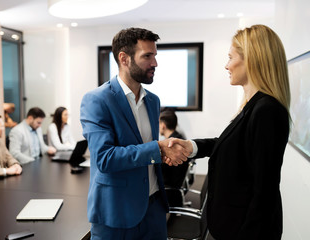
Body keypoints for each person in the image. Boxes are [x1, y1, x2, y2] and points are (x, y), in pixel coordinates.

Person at [168, 24, 291, 240]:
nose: (227, 66)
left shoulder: (267, 110)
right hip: (227, 223)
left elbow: (264, 189)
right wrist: (192, 146)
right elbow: (233, 147)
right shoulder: (253, 106)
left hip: (241, 230)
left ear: (251, 59)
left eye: (230, 57)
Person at [80, 27, 189, 240]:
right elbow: (105, 158)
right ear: (124, 58)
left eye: (155, 56)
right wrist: (157, 149)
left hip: (154, 209)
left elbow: (144, 149)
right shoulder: (97, 100)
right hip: (116, 213)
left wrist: (165, 154)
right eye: (147, 56)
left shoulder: (153, 100)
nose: (155, 63)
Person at [159, 109, 189, 190]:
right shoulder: (180, 138)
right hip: (176, 184)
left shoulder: (171, 145)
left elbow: (161, 170)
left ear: (163, 125)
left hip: (169, 188)